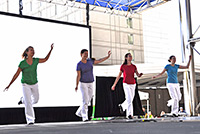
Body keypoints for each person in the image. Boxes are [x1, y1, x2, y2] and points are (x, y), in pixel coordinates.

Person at [4, 44, 54, 125]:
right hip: (25, 84)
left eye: (33, 50)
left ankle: (23, 100)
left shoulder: (35, 61)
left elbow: (45, 59)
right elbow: (16, 75)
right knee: (28, 102)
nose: (33, 51)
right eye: (31, 50)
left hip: (34, 83)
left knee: (36, 100)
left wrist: (50, 50)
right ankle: (30, 119)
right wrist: (9, 85)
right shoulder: (22, 63)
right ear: (26, 52)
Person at [75, 49, 111, 121]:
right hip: (83, 83)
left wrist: (107, 56)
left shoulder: (90, 61)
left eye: (87, 54)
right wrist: (76, 85)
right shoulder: (79, 64)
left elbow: (99, 61)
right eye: (85, 53)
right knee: (85, 99)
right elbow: (78, 75)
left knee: (89, 98)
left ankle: (79, 112)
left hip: (91, 82)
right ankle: (84, 117)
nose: (86, 55)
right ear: (81, 54)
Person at [111, 53, 143, 119]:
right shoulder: (123, 66)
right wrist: (114, 85)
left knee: (131, 99)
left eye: (131, 56)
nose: (131, 57)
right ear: (126, 58)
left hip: (133, 84)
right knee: (128, 99)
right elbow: (119, 75)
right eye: (129, 56)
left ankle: (122, 106)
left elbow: (137, 74)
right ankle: (129, 114)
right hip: (126, 84)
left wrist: (140, 75)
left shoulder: (134, 66)